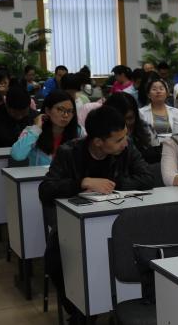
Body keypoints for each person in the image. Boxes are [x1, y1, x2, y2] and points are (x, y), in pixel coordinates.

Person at [39, 105, 155, 313]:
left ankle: (125, 306)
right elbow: (46, 190)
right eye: (118, 140)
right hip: (74, 226)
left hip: (120, 221)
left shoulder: (127, 148)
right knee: (56, 259)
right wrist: (82, 182)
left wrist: (112, 183)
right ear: (98, 142)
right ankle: (76, 312)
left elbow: (147, 178)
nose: (124, 142)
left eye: (125, 137)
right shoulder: (69, 152)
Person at [11, 91, 81, 166]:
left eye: (69, 111)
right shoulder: (33, 131)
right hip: (39, 174)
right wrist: (36, 129)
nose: (65, 115)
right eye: (60, 109)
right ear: (48, 110)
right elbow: (17, 155)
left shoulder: (79, 132)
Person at [103, 92, 158, 164]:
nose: (125, 125)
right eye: (119, 119)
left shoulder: (146, 130)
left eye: (129, 118)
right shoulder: (101, 137)